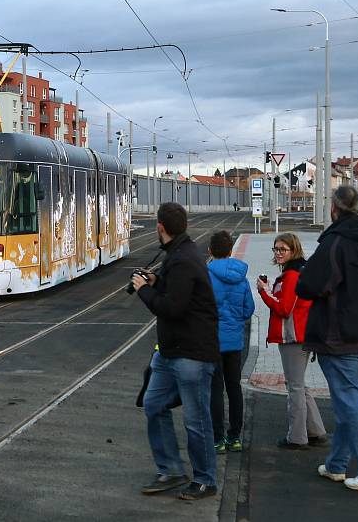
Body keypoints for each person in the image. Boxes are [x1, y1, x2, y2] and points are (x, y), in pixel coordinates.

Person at [296, 185, 358, 494]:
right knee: (352, 402)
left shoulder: (335, 243)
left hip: (340, 335)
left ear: (334, 209)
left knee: (350, 405)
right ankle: (338, 464)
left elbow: (308, 285)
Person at [133, 202, 221, 500]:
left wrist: (144, 290)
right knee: (154, 404)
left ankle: (205, 479)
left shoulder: (184, 259)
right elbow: (177, 292)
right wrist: (157, 281)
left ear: (160, 227)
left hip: (191, 354)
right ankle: (170, 469)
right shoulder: (180, 255)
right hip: (171, 352)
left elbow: (173, 307)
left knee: (196, 421)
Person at [257, 232, 327, 450]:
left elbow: (284, 308)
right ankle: (315, 430)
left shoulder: (292, 276)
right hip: (298, 335)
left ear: (293, 250)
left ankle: (297, 437)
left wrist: (264, 293)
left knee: (294, 387)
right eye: (276, 249)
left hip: (293, 337)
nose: (278, 253)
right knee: (299, 385)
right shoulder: (295, 272)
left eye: (282, 249)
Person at [207, 230, 254, 454]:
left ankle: (217, 439)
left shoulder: (206, 276)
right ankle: (234, 436)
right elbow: (249, 309)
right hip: (234, 343)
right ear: (230, 250)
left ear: (210, 251)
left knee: (215, 389)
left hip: (212, 342)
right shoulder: (241, 278)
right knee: (234, 388)